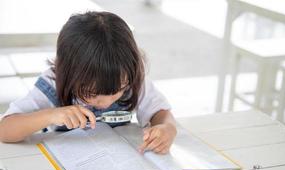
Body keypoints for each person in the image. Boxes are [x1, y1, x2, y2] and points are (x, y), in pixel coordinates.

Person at [0, 11, 177, 154]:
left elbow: (160, 111)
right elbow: (5, 130)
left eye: (119, 90)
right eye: (92, 94)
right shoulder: (53, 84)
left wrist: (166, 127)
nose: (107, 102)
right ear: (67, 73)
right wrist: (50, 115)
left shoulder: (130, 78)